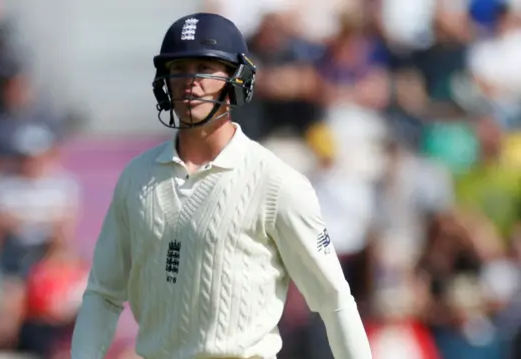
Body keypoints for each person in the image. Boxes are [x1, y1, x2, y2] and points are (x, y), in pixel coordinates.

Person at [71, 12, 372, 359]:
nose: (190, 82)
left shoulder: (276, 182)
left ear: (237, 79)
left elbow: (333, 299)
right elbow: (103, 295)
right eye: (179, 69)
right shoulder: (136, 177)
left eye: (206, 68)